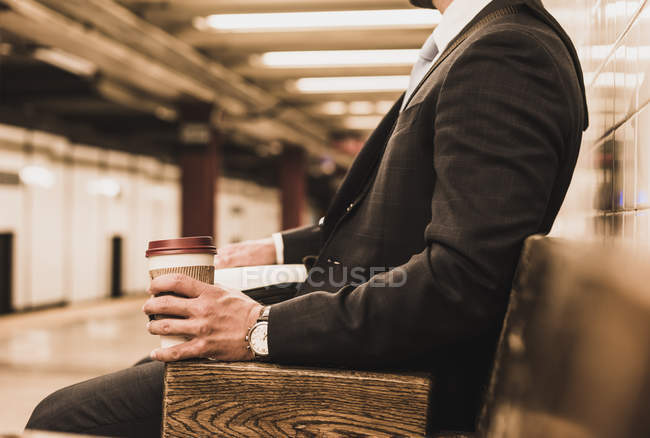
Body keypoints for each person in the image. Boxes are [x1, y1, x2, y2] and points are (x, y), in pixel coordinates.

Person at [26, 0, 588, 435]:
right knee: (153, 366)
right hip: (390, 351)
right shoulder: (483, 42)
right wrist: (268, 260)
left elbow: (463, 280)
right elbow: (396, 231)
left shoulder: (505, 52)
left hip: (406, 383)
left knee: (66, 417)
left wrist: (258, 330)